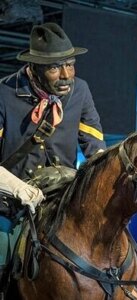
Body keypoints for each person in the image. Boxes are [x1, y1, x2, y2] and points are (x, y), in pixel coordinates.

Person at [0, 22, 106, 294]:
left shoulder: (80, 90)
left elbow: (95, 147)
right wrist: (18, 189)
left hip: (61, 198)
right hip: (10, 203)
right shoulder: (3, 94)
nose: (66, 76)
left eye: (70, 65)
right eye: (54, 68)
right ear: (35, 67)